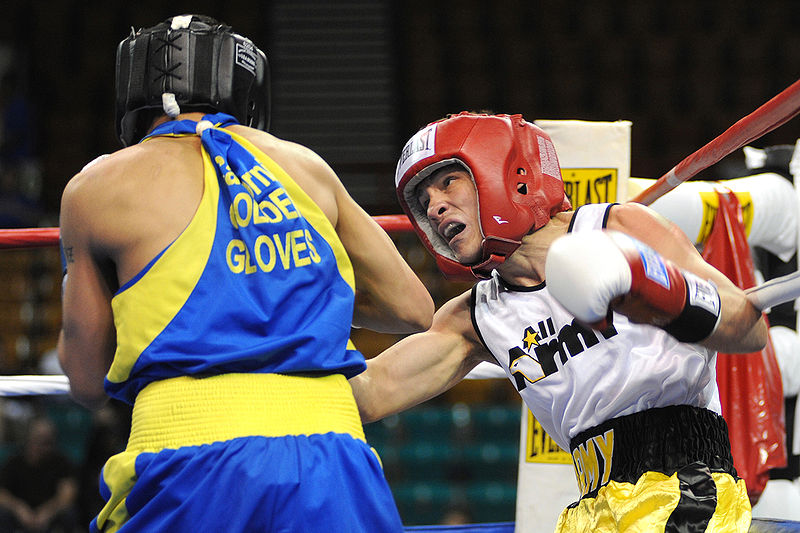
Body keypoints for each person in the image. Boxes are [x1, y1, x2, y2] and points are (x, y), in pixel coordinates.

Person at [56, 14, 433, 532]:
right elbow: (413, 309)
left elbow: (85, 379)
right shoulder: (306, 166)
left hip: (186, 458)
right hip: (332, 457)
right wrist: (281, 295)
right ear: (245, 86)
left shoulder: (93, 189)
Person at [349, 112, 769, 532]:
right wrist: (303, 313)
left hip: (686, 485)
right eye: (423, 202)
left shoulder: (618, 227)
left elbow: (748, 329)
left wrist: (660, 292)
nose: (435, 208)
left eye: (447, 183)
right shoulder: (475, 316)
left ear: (505, 172)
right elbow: (371, 393)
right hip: (592, 505)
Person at [0, 416, 79, 533]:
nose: (44, 447)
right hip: (21, 513)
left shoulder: (61, 462)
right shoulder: (14, 461)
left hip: (50, 513)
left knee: (70, 514)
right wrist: (19, 508)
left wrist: (48, 512)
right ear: (29, 439)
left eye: (48, 442)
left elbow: (68, 494)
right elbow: (2, 493)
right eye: (40, 440)